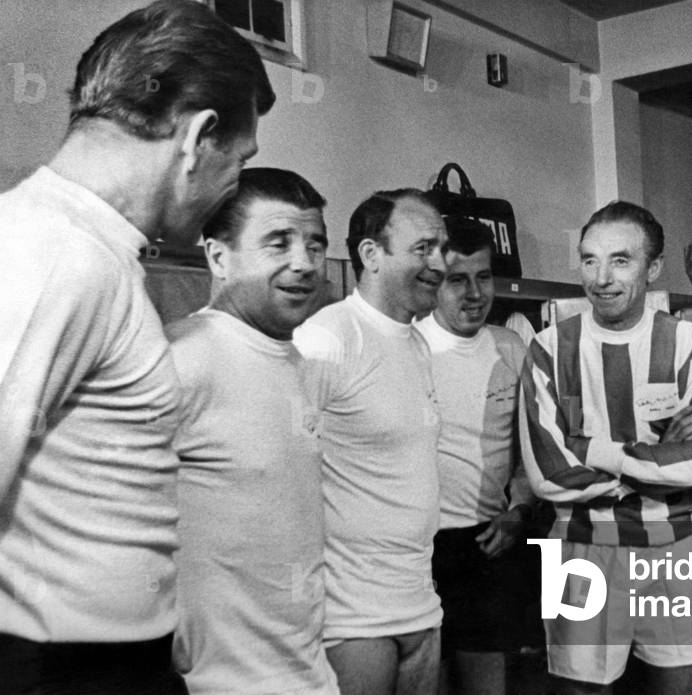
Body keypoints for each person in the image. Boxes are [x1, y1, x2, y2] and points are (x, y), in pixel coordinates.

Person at [0, 2, 273, 692]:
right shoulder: (57, 251)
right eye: (239, 161)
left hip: (108, 660)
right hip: (62, 670)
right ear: (198, 136)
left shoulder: (90, 250)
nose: (232, 185)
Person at [519, 201, 692, 695]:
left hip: (675, 548)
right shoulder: (548, 348)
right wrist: (659, 455)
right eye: (590, 260)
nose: (601, 278)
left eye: (620, 260)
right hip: (581, 551)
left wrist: (587, 449)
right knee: (581, 689)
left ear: (653, 268)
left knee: (680, 685)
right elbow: (546, 475)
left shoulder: (685, 341)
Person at [168, 168, 337, 694]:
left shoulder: (296, 360)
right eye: (278, 243)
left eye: (315, 245)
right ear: (219, 257)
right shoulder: (182, 358)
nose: (304, 263)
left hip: (306, 672)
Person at [294, 190, 447, 695]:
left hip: (419, 601)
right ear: (370, 254)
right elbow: (280, 474)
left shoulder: (417, 342)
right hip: (351, 617)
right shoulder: (327, 337)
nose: (439, 264)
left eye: (441, 248)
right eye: (423, 248)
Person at [416, 216, 534, 695]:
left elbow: (531, 450)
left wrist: (519, 511)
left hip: (488, 542)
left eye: (483, 277)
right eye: (456, 280)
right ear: (433, 283)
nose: (474, 293)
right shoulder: (409, 348)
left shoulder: (511, 347)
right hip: (419, 547)